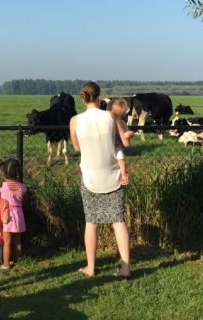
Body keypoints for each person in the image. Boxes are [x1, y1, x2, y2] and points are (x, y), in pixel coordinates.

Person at [69, 81, 132, 279]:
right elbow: (125, 142)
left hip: (89, 177)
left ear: (82, 98)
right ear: (99, 97)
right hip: (114, 176)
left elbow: (77, 148)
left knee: (91, 222)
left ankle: (91, 266)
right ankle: (125, 268)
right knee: (118, 221)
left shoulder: (75, 120)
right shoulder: (112, 116)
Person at [0, 158, 27, 269]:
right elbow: (24, 201)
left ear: (4, 171)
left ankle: (6, 264)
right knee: (17, 241)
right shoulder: (23, 187)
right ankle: (17, 261)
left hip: (7, 215)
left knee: (7, 242)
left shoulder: (2, 187)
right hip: (19, 214)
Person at [109, 99, 134, 185]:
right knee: (121, 159)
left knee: (119, 158)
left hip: (110, 145)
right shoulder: (121, 122)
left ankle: (123, 174)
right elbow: (125, 136)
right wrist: (129, 134)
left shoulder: (109, 120)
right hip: (117, 145)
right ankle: (123, 174)